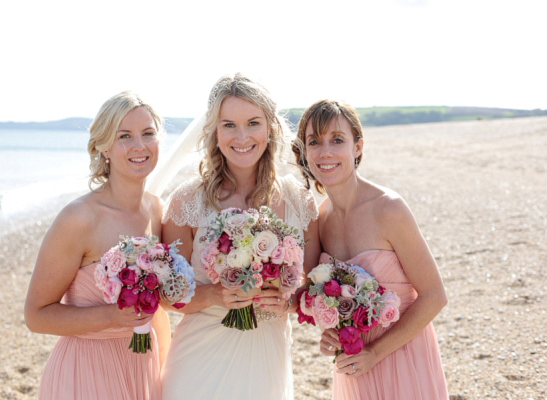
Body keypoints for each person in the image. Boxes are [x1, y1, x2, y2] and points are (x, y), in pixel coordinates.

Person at [159, 73, 320, 400]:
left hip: (266, 359)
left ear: (270, 128)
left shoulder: (298, 201)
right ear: (214, 132)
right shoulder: (187, 201)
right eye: (228, 124)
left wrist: (286, 300)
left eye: (253, 123)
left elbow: (313, 287)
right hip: (199, 359)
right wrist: (214, 295)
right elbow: (166, 294)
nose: (242, 136)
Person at [292, 100, 449, 399]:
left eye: (337, 140)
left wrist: (375, 353)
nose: (325, 152)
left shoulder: (388, 209)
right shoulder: (318, 220)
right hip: (353, 361)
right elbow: (312, 296)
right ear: (304, 152)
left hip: (402, 354)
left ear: (358, 147)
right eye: (314, 142)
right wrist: (328, 332)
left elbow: (434, 296)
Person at [24, 91, 169, 400]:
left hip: (142, 365)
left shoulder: (157, 211)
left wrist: (164, 376)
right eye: (124, 136)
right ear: (103, 146)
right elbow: (36, 315)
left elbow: (158, 311)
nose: (139, 145)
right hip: (87, 371)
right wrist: (112, 316)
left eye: (148, 133)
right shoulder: (78, 219)